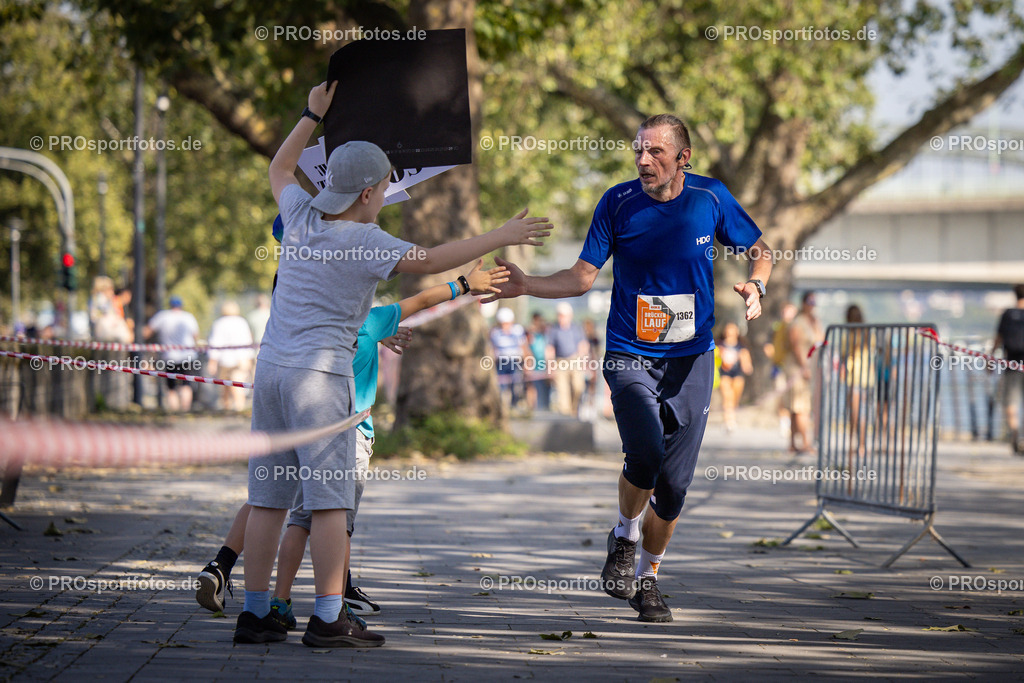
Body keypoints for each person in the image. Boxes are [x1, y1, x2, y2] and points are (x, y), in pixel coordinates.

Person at [236, 80, 550, 649]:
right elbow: (430, 261)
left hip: (272, 373)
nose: (385, 196)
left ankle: (256, 614)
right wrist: (500, 235)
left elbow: (279, 169)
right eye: (384, 187)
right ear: (365, 195)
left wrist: (311, 113)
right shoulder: (367, 239)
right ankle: (329, 616)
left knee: (268, 498)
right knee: (330, 503)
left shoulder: (302, 214)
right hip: (321, 378)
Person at [484, 113, 772, 622]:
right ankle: (623, 534)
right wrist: (527, 285)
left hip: (693, 359)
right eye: (638, 150)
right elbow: (580, 278)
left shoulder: (709, 198)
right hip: (628, 352)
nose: (643, 160)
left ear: (683, 158)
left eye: (655, 152)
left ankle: (649, 579)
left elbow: (760, 249)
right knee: (644, 450)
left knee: (675, 486)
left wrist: (757, 283)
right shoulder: (618, 201)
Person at [198, 261, 507, 627]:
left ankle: (269, 599)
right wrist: (465, 283)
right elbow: (424, 298)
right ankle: (333, 608)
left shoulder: (299, 326)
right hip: (351, 430)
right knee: (336, 519)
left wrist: (382, 334)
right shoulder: (369, 320)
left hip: (299, 421)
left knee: (284, 508)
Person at [144, 295, 200, 412]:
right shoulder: (188, 317)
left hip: (169, 356)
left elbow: (147, 331)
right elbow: (196, 336)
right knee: (186, 385)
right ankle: (185, 411)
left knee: (171, 387)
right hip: (188, 356)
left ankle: (174, 412)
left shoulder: (162, 316)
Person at [783, 292, 823, 453]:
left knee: (796, 407)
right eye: (810, 301)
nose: (812, 305)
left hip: (808, 367)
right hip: (797, 367)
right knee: (801, 407)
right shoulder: (798, 322)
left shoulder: (813, 321)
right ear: (804, 303)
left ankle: (793, 443)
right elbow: (796, 346)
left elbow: (821, 340)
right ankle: (805, 442)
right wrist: (804, 367)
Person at [990, 284, 1024, 455]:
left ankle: (1016, 435)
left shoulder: (1008, 315)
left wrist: (990, 359)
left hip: (1012, 364)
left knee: (1011, 403)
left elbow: (998, 338)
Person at [207, 301, 256, 411]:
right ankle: (240, 408)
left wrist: (212, 362)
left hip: (225, 360)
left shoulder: (219, 323)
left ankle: (228, 409)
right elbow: (248, 341)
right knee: (238, 385)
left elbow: (215, 343)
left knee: (225, 387)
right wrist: (248, 359)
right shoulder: (242, 322)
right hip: (241, 359)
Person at [546, 302, 589, 416]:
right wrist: (550, 366)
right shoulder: (553, 330)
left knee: (578, 387)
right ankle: (566, 416)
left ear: (570, 316)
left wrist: (583, 361)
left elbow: (583, 345)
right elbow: (550, 349)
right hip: (560, 362)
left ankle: (573, 410)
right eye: (560, 315)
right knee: (562, 391)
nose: (561, 318)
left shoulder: (576, 328)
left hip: (575, 360)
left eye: (564, 315)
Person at [489, 308, 529, 411]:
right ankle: (503, 408)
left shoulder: (517, 330)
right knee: (501, 386)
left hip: (515, 361)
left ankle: (514, 406)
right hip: (501, 362)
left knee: (516, 385)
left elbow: (523, 347)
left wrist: (526, 364)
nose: (505, 326)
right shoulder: (495, 333)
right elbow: (492, 349)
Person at [717, 322, 753, 433]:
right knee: (728, 397)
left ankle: (731, 417)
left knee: (735, 399)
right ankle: (729, 421)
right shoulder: (720, 345)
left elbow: (748, 366)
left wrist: (744, 361)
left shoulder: (741, 347)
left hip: (738, 375)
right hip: (724, 374)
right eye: (728, 329)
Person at [525, 312, 550, 411]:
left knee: (545, 389)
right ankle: (532, 409)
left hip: (544, 365)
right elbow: (526, 349)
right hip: (533, 365)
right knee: (532, 388)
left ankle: (545, 408)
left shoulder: (546, 334)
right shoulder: (530, 335)